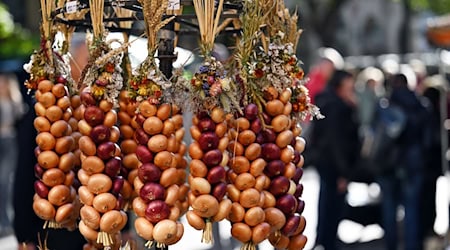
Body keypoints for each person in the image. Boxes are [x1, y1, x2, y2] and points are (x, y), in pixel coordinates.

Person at [376, 73, 428, 250]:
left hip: (389, 163)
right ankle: (411, 246)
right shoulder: (420, 105)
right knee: (411, 208)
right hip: (413, 163)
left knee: (390, 207)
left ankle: (391, 245)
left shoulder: (385, 105)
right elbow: (426, 137)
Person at [312, 70, 360, 250]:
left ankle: (324, 240)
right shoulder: (337, 107)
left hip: (328, 163)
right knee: (331, 207)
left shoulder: (330, 102)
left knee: (327, 205)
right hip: (334, 166)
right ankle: (327, 242)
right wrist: (343, 173)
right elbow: (337, 143)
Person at [0, 73, 24, 236]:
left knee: (5, 181)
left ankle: (7, 221)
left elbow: (20, 119)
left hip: (11, 141)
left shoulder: (15, 102)